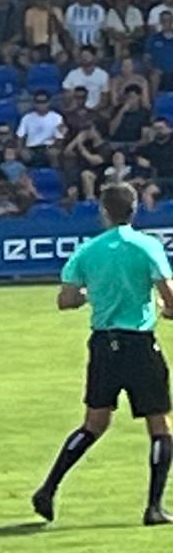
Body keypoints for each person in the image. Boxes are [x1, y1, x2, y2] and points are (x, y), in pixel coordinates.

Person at [33, 183, 173, 526]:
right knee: (159, 424)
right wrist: (165, 309)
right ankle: (154, 507)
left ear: (104, 212)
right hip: (139, 343)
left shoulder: (88, 251)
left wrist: (90, 294)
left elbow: (66, 300)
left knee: (94, 423)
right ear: (134, 210)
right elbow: (169, 296)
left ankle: (48, 488)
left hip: (103, 345)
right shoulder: (147, 246)